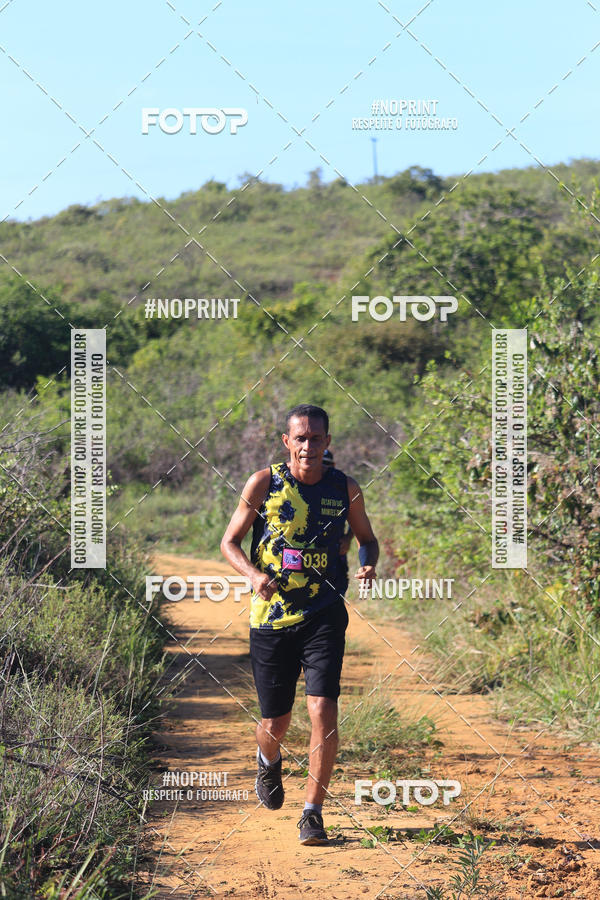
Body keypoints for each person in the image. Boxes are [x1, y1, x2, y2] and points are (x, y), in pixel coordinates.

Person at [221, 404, 378, 845]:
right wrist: (253, 576)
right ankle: (267, 761)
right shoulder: (264, 482)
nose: (309, 445)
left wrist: (367, 565)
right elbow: (229, 541)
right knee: (276, 721)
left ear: (328, 442)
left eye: (317, 438)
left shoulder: (344, 488)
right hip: (271, 618)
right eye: (301, 438)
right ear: (287, 441)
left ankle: (313, 812)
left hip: (324, 613)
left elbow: (368, 540)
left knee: (323, 709)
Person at [322, 449, 353, 595]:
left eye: (327, 464)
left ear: (333, 464)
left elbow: (356, 519)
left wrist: (348, 538)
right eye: (321, 463)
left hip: (336, 554)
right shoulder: (303, 484)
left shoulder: (342, 487)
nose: (323, 466)